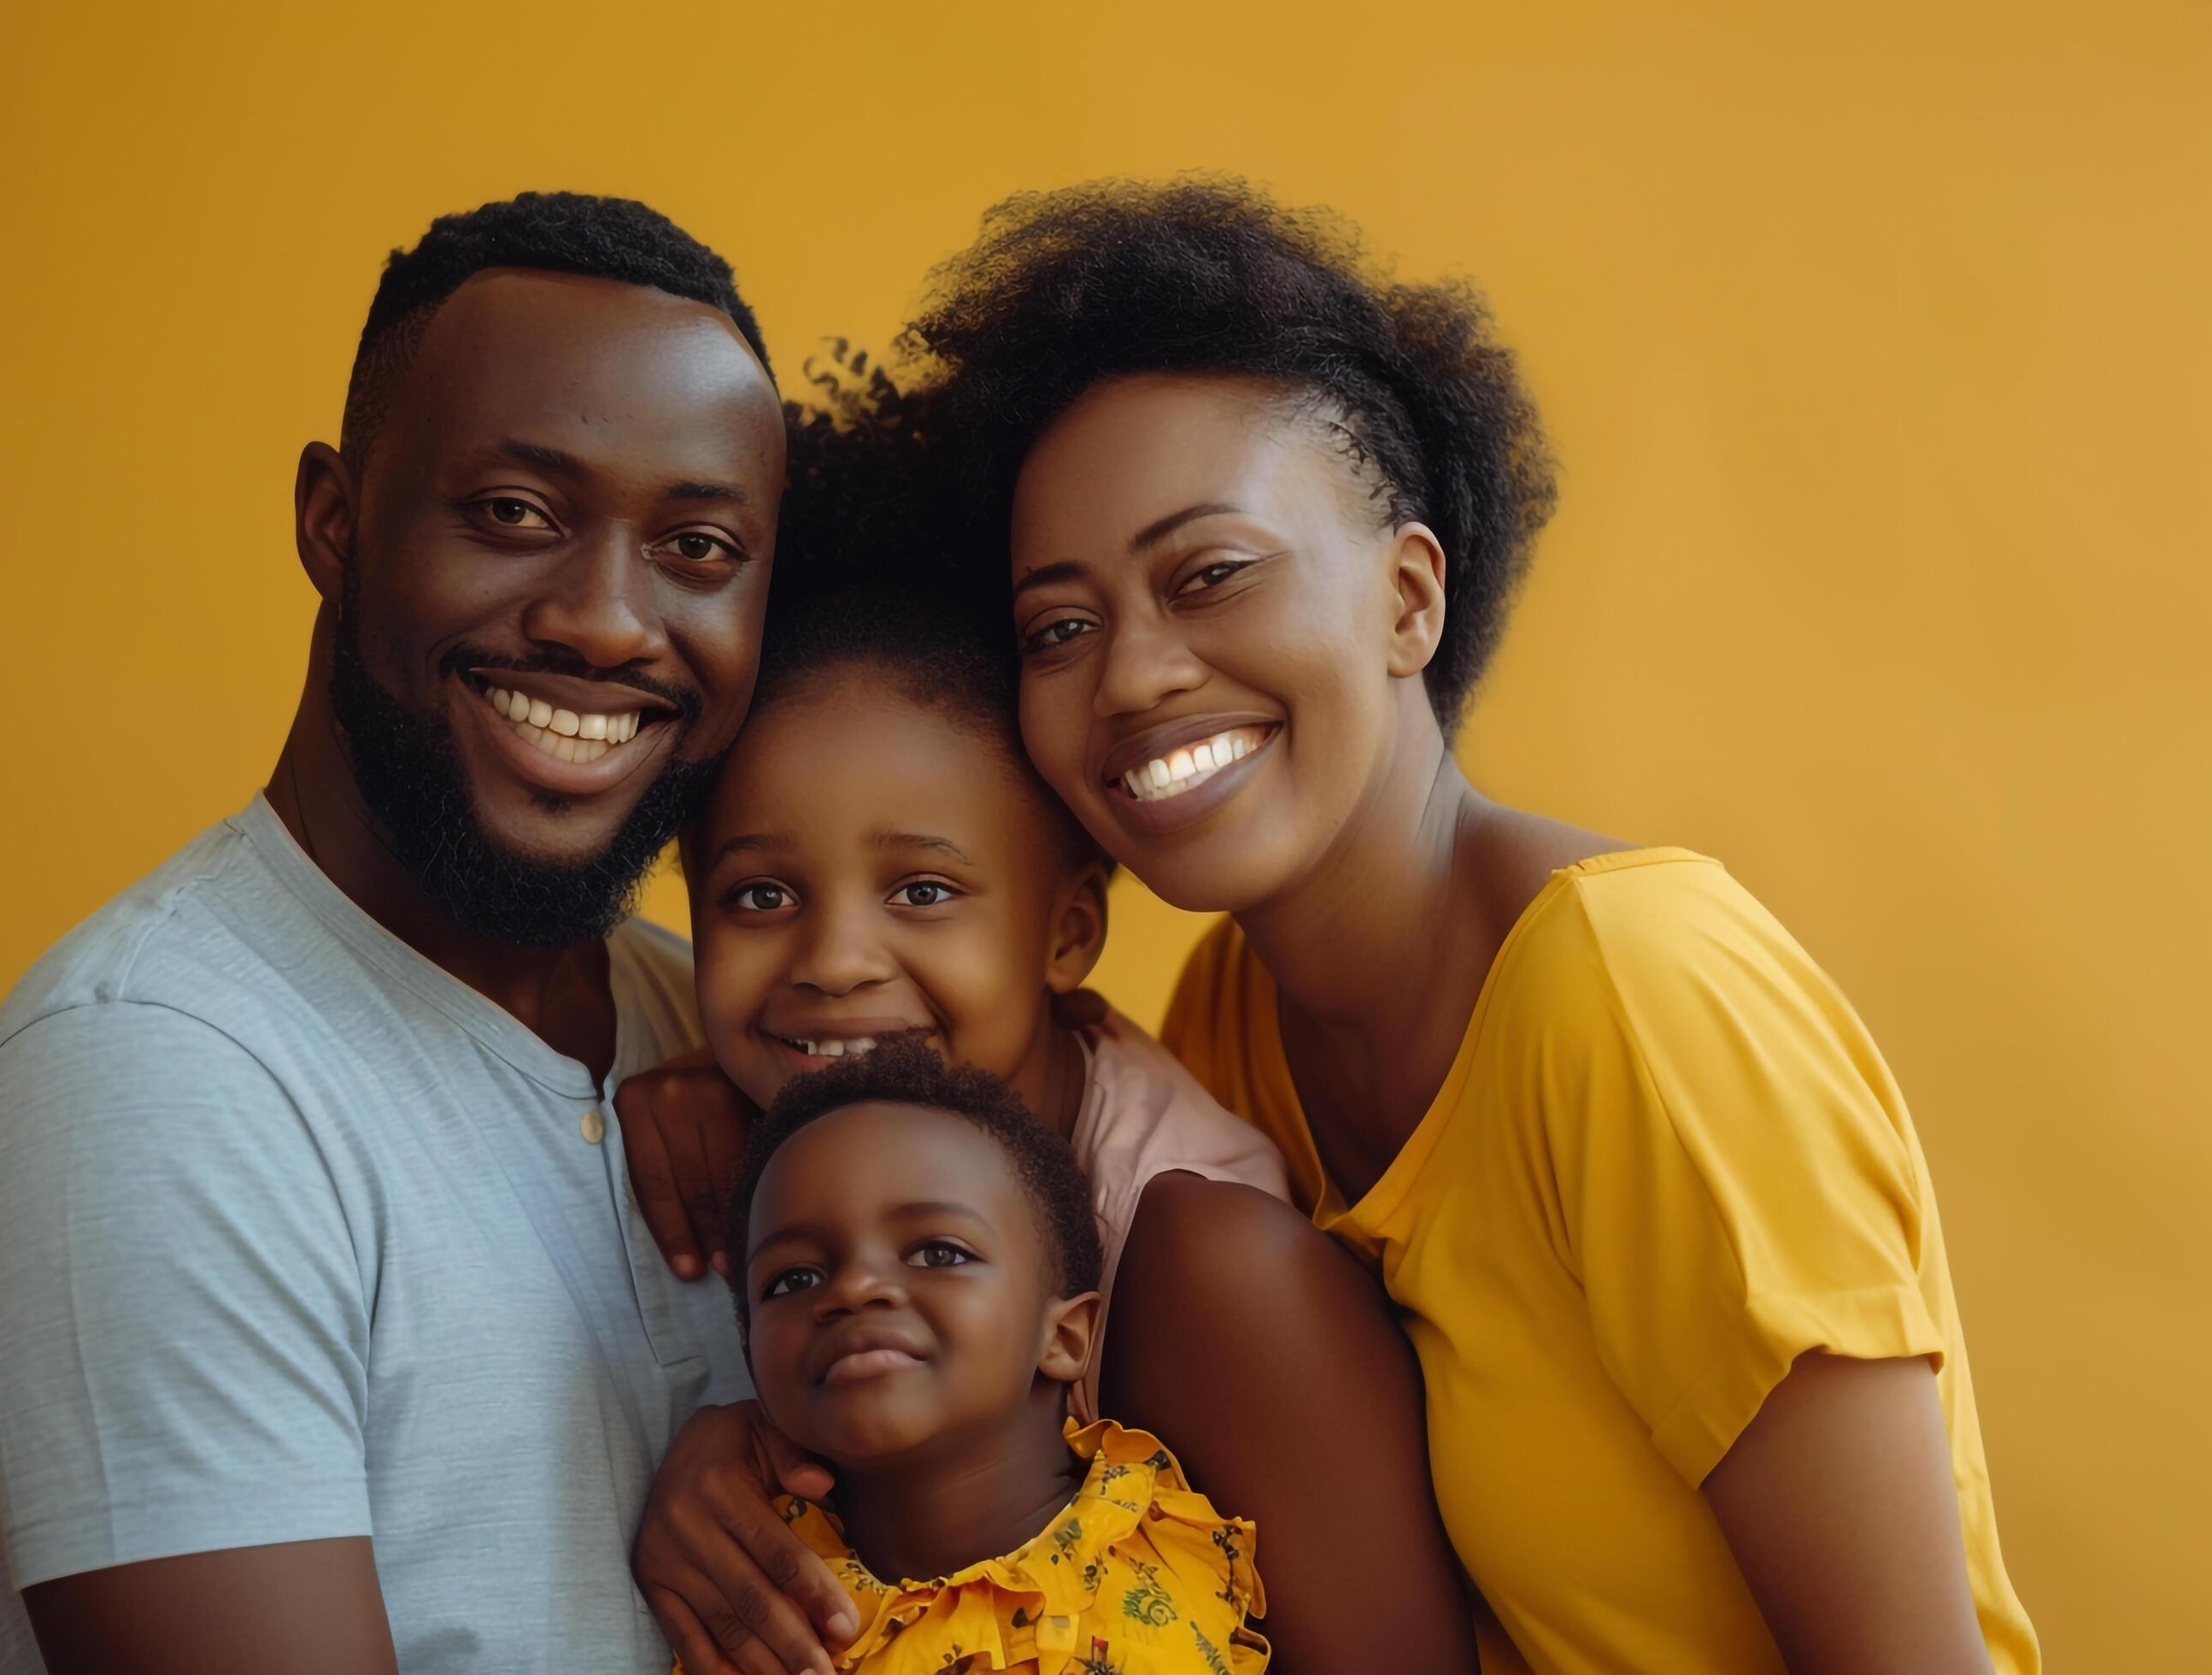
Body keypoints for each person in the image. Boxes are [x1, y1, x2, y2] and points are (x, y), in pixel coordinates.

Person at [895, 176, 2041, 1673]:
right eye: (1062, 625)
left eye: (1211, 575)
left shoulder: (1632, 993)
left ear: (1408, 599)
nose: (1132, 676)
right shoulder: (1233, 1025)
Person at [0, 191, 789, 1675]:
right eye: (516, 514)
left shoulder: (739, 1028)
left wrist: (742, 1438)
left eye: (698, 545)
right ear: (335, 520)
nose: (605, 623)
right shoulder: (151, 1079)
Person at [622, 423, 1474, 1675]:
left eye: (922, 891)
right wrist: (738, 1436)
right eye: (757, 898)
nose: (834, 962)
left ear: (1068, 928)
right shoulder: (741, 1126)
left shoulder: (1201, 1266)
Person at [693, 1037, 1271, 1674]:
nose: (854, 1289)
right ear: (753, 1364)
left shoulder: (1169, 1565)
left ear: (1066, 1337)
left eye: (938, 1254)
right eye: (793, 1279)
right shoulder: (752, 1607)